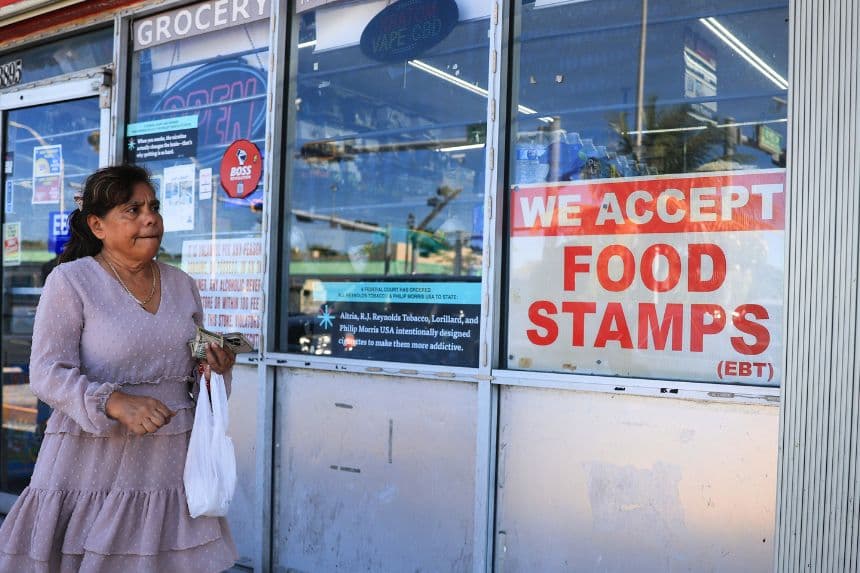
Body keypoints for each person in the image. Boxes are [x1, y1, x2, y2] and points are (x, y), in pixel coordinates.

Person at [0, 164, 238, 572]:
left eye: (153, 207)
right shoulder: (71, 282)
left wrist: (214, 367)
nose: (150, 218)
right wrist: (113, 402)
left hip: (167, 462)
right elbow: (46, 372)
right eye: (132, 209)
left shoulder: (182, 284)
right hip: (92, 461)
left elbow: (191, 371)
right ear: (98, 226)